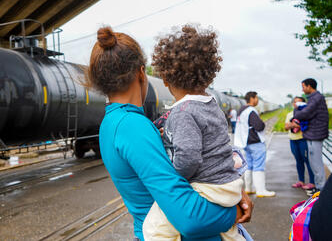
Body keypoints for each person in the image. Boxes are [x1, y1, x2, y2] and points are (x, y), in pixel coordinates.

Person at [87, 26, 253, 241]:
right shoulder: (132, 126)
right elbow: (190, 219)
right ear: (141, 72)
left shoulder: (114, 122)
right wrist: (234, 211)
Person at [143, 25, 249, 241]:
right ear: (208, 74)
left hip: (208, 187)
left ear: (166, 79)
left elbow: (189, 158)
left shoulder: (183, 112)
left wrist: (173, 178)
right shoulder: (212, 104)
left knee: (153, 229)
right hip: (228, 186)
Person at [289, 78, 329, 193]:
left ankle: (321, 189)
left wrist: (294, 115)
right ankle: (318, 186)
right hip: (313, 133)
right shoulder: (314, 98)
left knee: (316, 162)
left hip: (316, 134)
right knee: (313, 161)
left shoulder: (316, 98)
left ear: (309, 86)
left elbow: (306, 113)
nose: (302, 89)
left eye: (303, 86)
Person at [234, 91, 276, 197]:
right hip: (255, 142)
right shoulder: (251, 111)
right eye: (256, 98)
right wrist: (261, 123)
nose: (257, 100)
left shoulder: (241, 110)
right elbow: (259, 126)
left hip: (245, 142)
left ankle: (248, 188)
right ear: (252, 98)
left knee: (249, 166)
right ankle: (261, 191)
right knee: (259, 166)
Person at [284, 97, 315, 190]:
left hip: (303, 140)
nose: (296, 104)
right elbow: (286, 127)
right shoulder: (290, 114)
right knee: (298, 161)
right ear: (293, 104)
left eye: (299, 102)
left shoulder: (306, 114)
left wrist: (293, 125)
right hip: (293, 140)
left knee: (308, 161)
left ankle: (312, 182)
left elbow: (307, 127)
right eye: (295, 102)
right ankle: (301, 181)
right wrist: (297, 125)